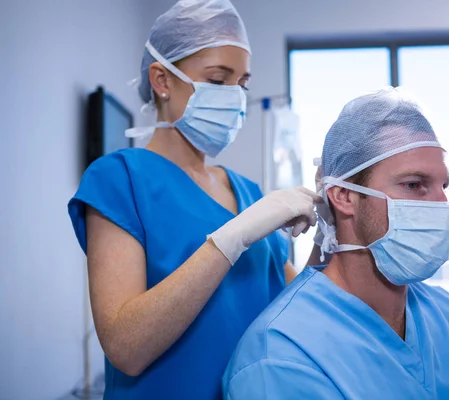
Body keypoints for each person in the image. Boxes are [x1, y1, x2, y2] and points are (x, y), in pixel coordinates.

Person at [67, 1, 320, 399]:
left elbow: (299, 310)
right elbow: (125, 347)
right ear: (162, 80)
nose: (236, 97)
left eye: (243, 84)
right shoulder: (120, 178)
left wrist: (332, 236)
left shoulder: (249, 194)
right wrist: (233, 237)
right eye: (219, 81)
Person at [222, 88, 449, 399]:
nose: (441, 203)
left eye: (443, 185)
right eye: (414, 184)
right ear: (344, 196)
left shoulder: (447, 317)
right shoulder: (280, 354)